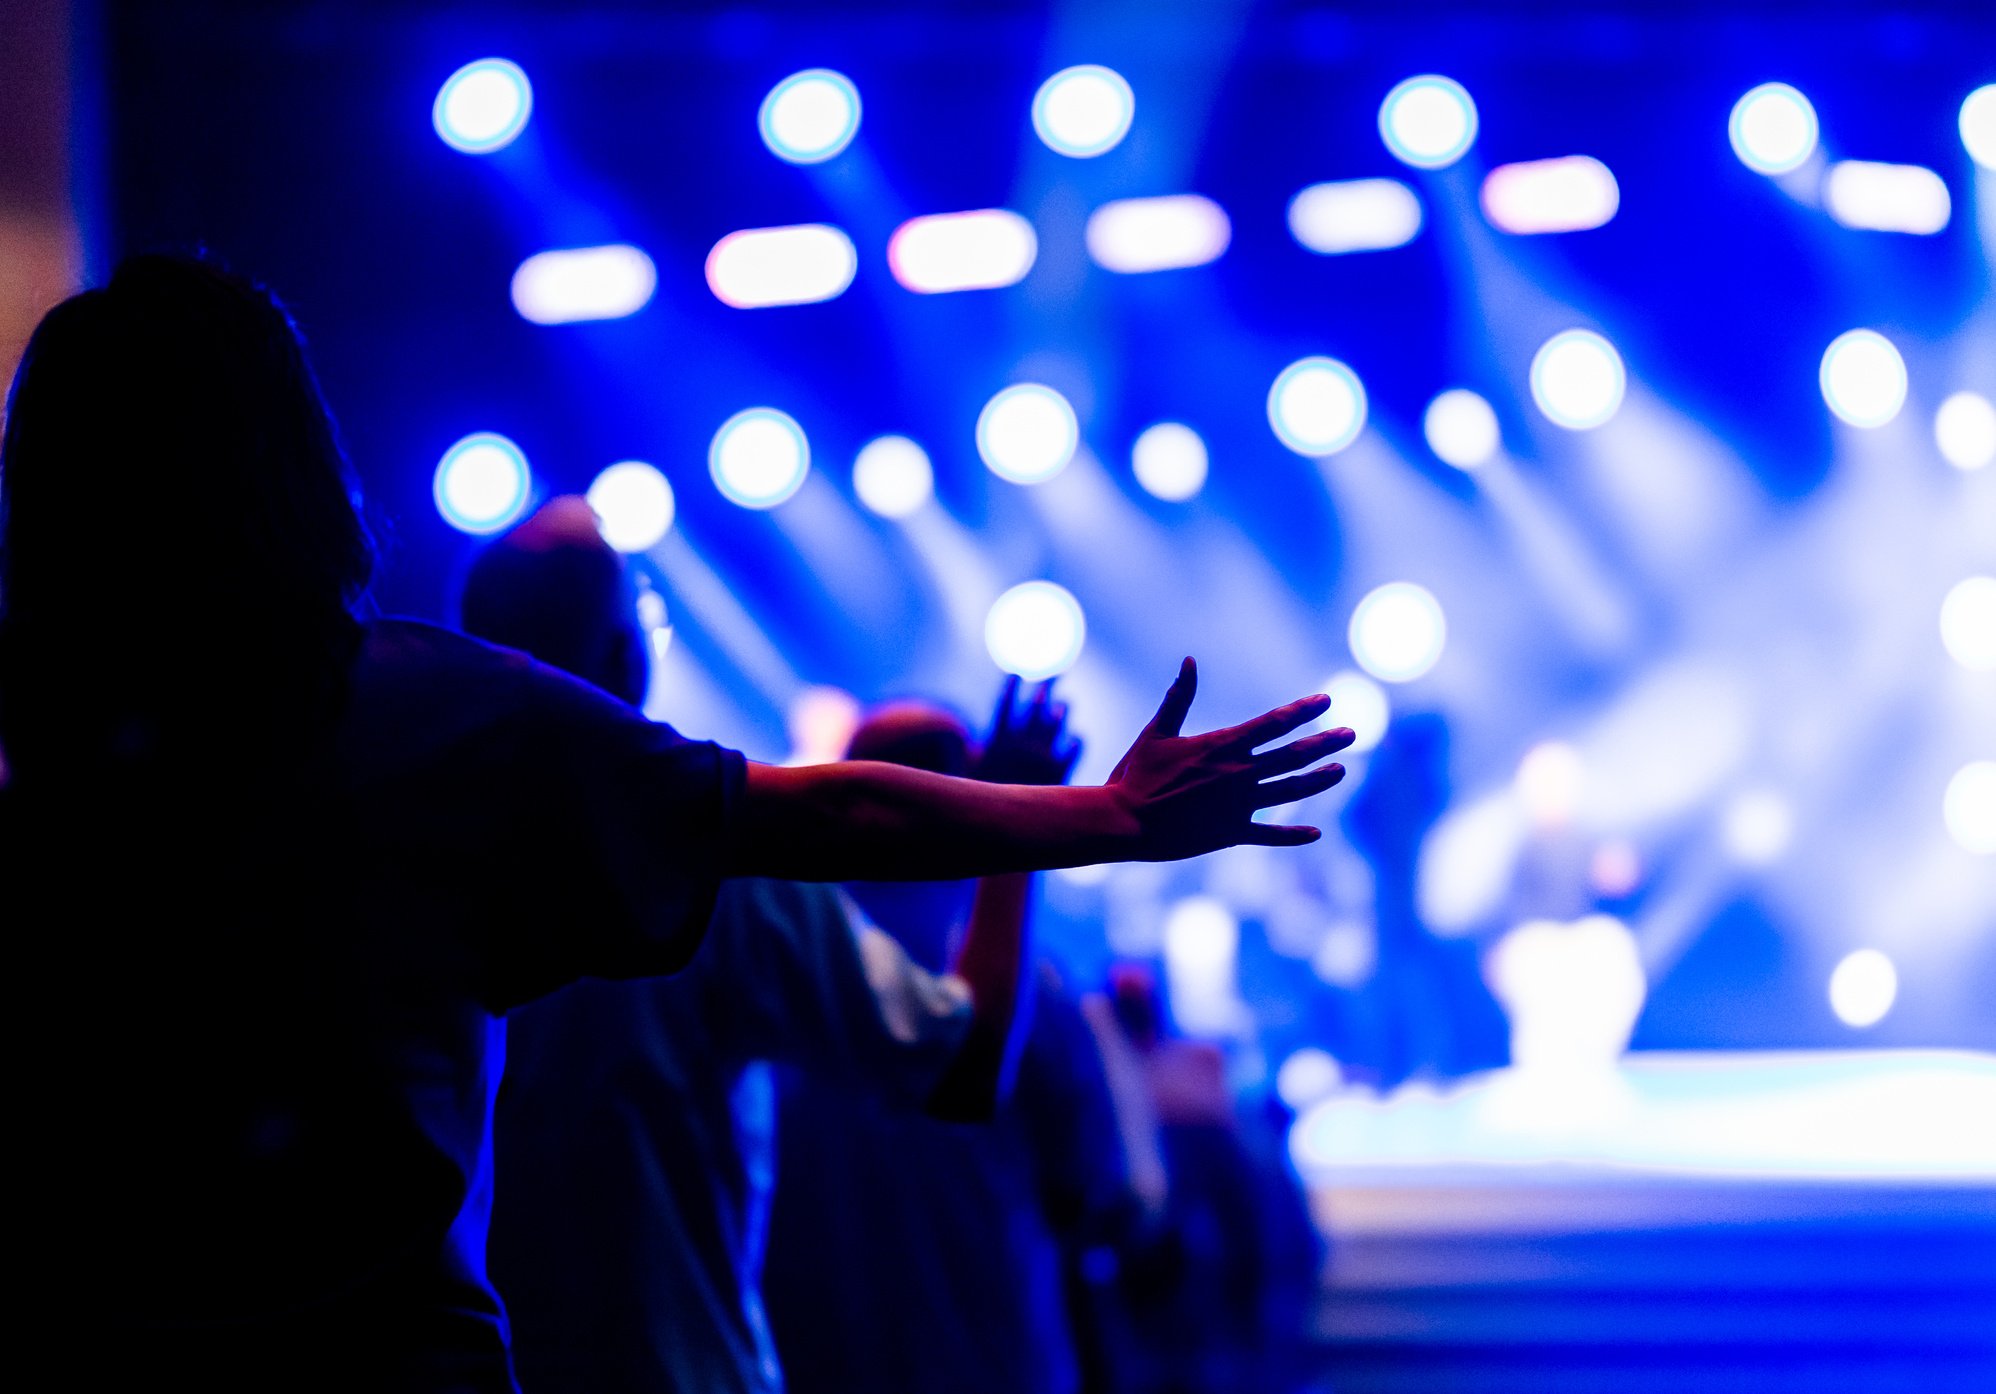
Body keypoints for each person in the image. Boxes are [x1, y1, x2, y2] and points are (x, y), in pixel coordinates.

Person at [0, 254, 1352, 1392]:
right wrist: (1104, 813)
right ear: (289, 465)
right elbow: (832, 821)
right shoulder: (431, 725)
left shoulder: (42, 756)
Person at [462, 499, 1058, 1394]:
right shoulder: (715, 857)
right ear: (629, 656)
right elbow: (963, 1066)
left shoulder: (389, 838)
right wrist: (1021, 829)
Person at [761, 703, 1132, 1394]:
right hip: (993, 1360)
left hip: (811, 1362)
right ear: (972, 796)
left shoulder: (781, 949)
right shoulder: (1032, 987)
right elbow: (1088, 1188)